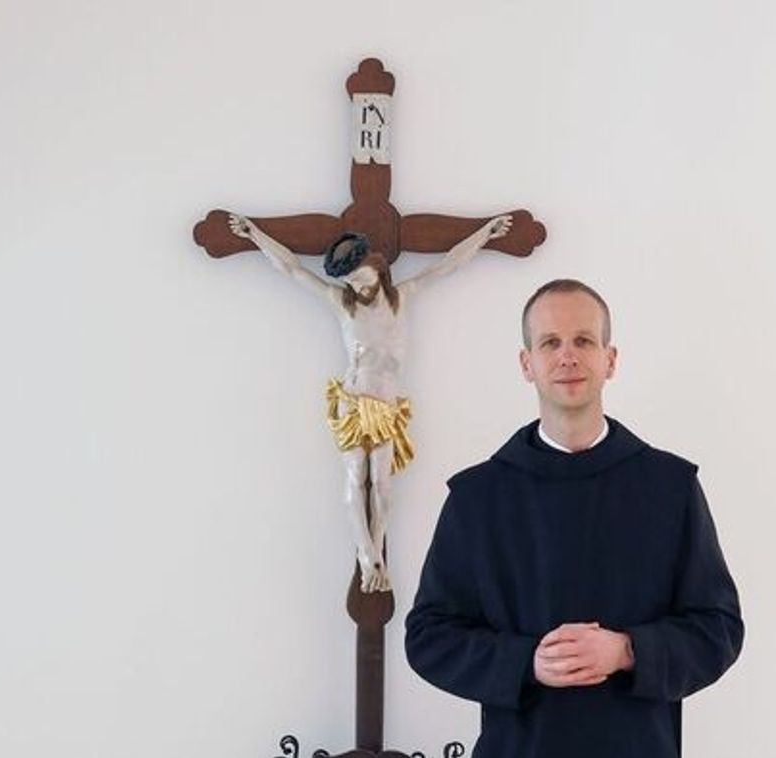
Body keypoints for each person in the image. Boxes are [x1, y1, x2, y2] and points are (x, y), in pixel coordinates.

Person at [404, 279, 744, 757]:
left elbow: (718, 628)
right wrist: (526, 662)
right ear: (527, 363)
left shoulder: (671, 486)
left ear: (610, 359)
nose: (567, 356)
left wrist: (628, 650)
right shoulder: (476, 497)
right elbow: (429, 636)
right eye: (550, 343)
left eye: (583, 340)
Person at [227, 212, 513, 593]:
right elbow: (292, 269)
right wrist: (254, 235)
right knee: (354, 479)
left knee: (381, 485)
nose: (352, 282)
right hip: (353, 401)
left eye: (356, 274)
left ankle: (376, 552)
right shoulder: (342, 303)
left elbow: (448, 264)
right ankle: (367, 556)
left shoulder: (401, 298)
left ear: (373, 265)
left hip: (386, 408)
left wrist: (485, 234)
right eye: (347, 278)